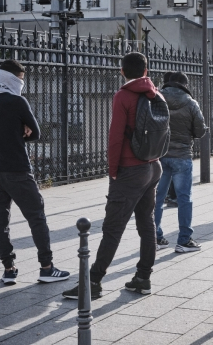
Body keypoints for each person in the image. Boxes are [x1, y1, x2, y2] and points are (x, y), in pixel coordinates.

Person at [63, 52, 161, 299]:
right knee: (147, 224)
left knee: (112, 228)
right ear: (146, 72)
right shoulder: (155, 94)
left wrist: (113, 172)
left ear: (122, 71)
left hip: (130, 170)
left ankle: (93, 283)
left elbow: (115, 137)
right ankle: (143, 278)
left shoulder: (123, 96)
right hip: (153, 166)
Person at [0, 59, 70, 286]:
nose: (22, 83)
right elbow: (37, 133)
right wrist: (23, 128)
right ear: (12, 78)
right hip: (18, 169)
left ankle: (9, 270)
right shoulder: (18, 102)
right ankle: (46, 268)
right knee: (36, 216)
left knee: (0, 221)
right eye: (20, 79)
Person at [154, 71, 207, 253]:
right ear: (185, 85)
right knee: (184, 198)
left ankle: (156, 237)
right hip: (182, 155)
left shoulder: (157, 98)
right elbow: (200, 131)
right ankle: (183, 240)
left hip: (159, 155)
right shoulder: (191, 103)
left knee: (157, 198)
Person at [162, 71, 178, 208]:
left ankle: (165, 195)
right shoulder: (186, 98)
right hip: (179, 144)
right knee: (176, 172)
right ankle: (174, 196)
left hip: (161, 143)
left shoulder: (157, 96)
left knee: (164, 171)